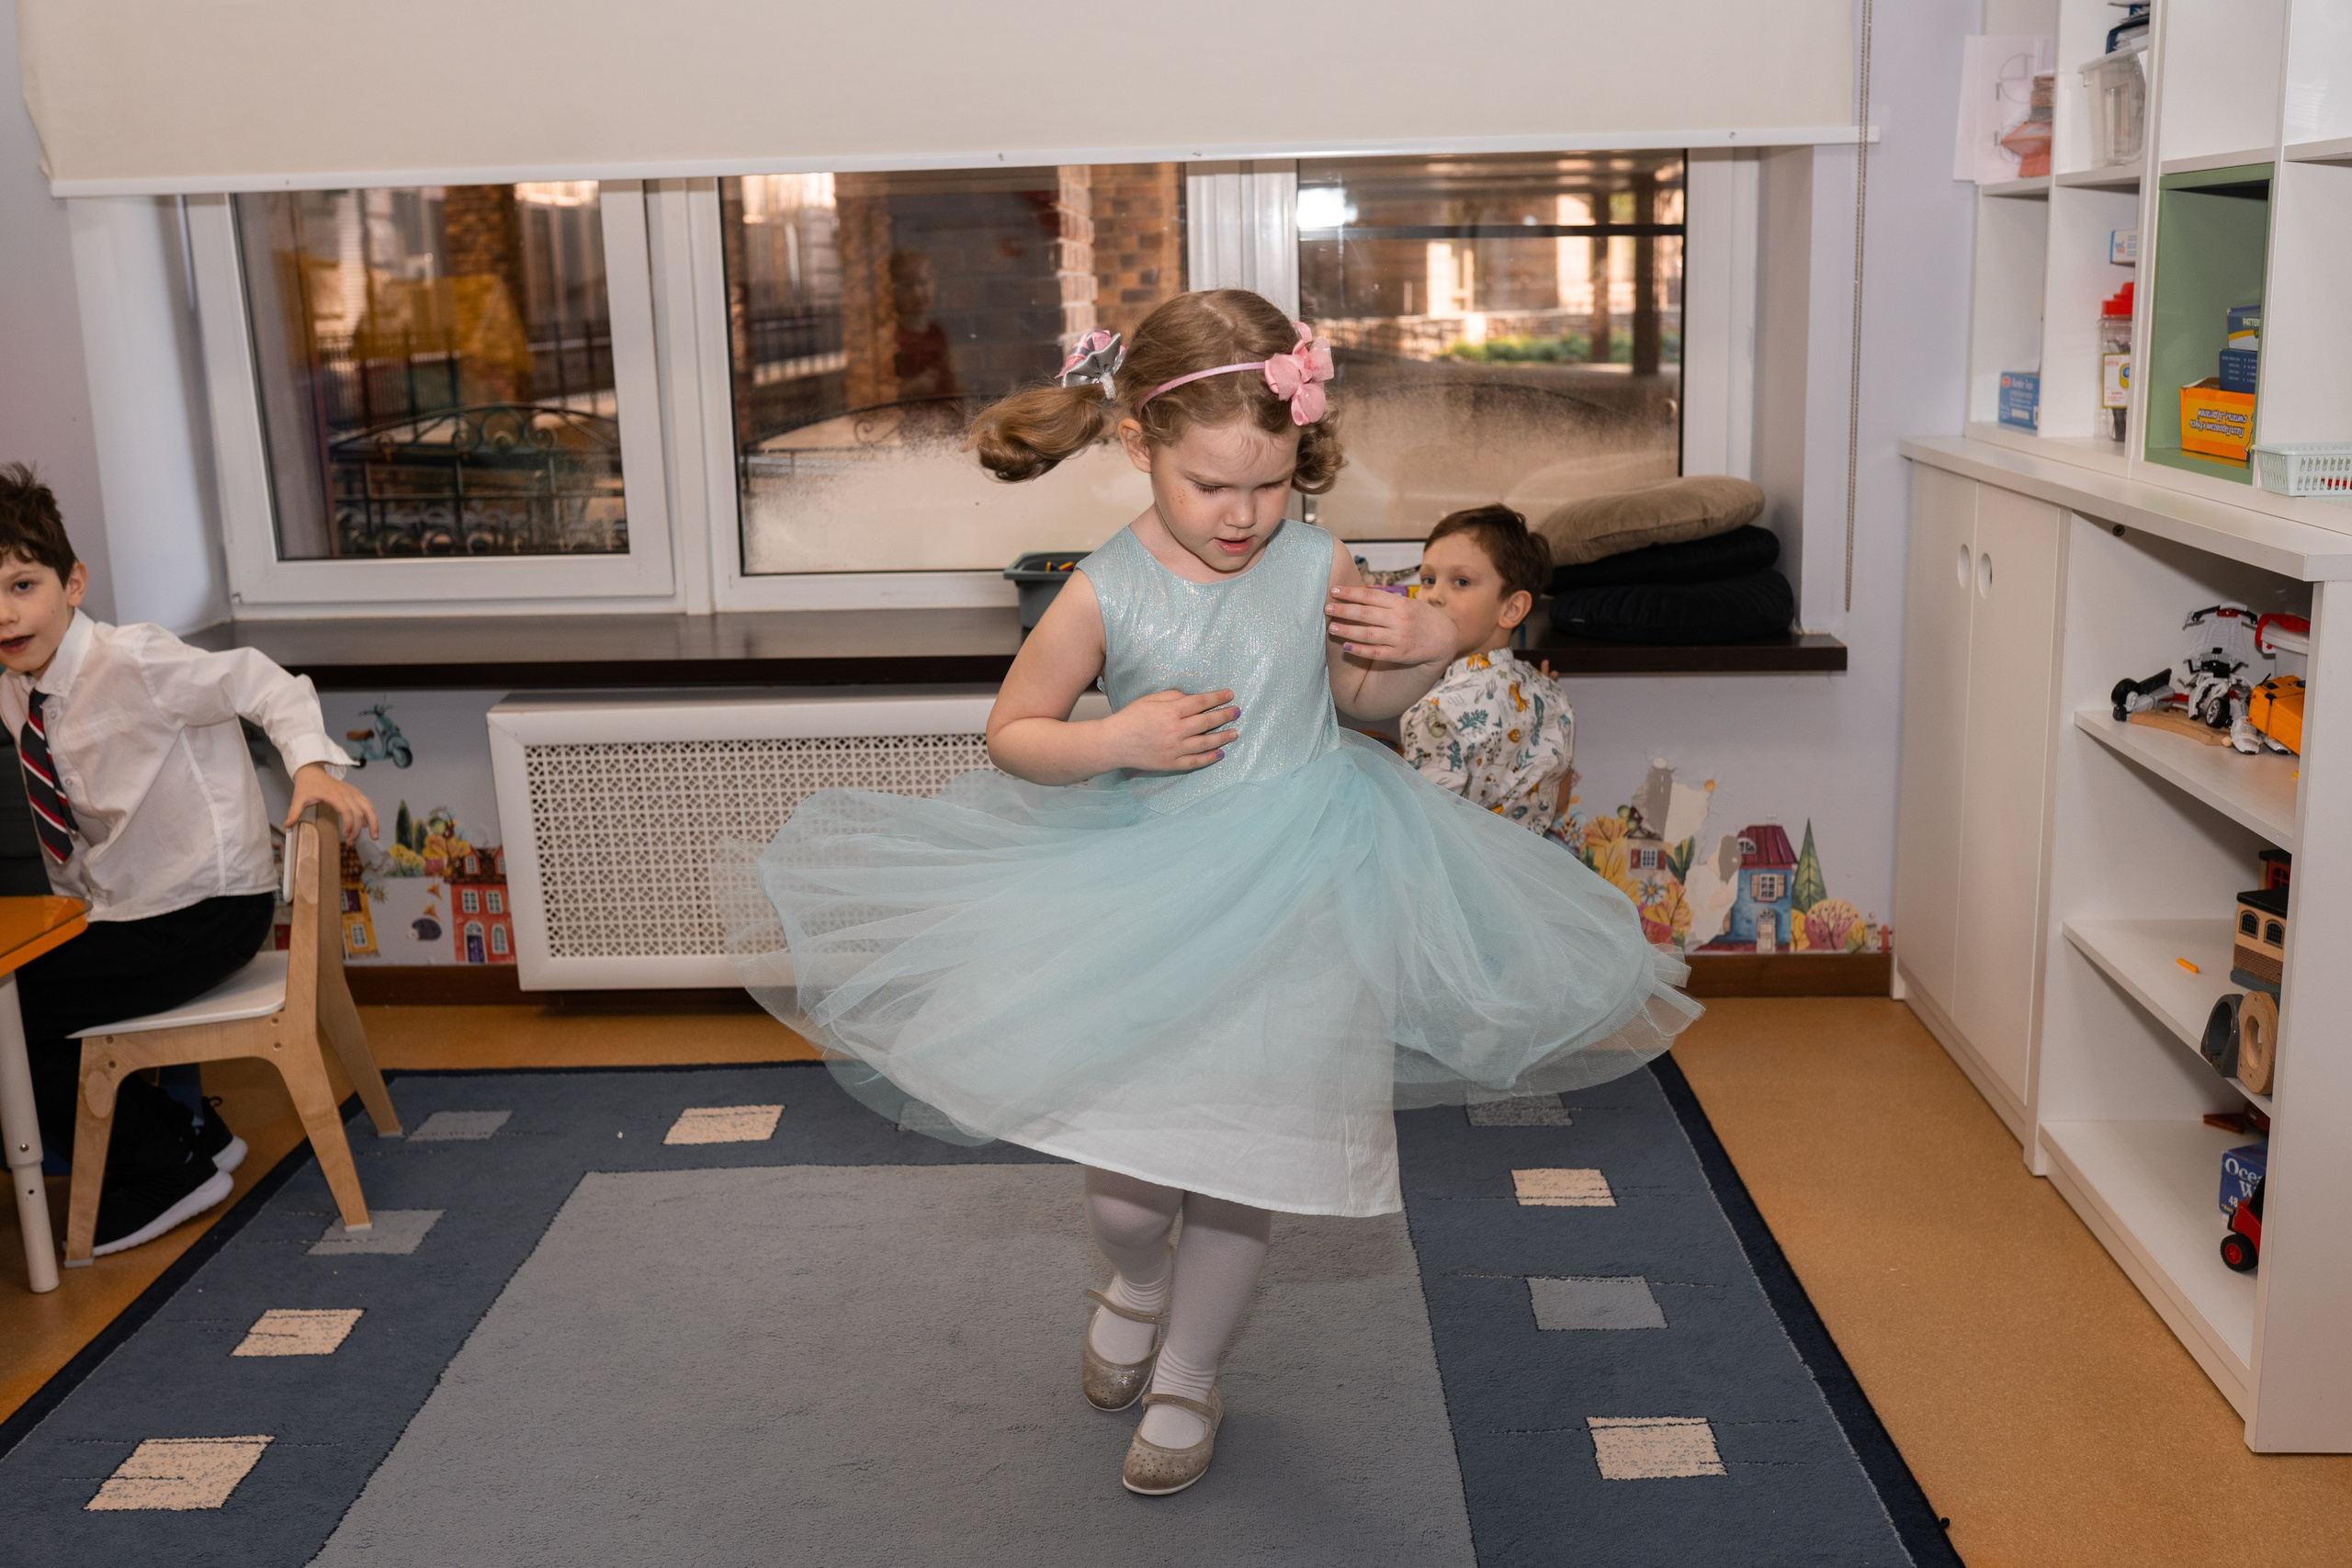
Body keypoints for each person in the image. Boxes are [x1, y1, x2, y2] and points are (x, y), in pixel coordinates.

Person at [726, 291, 1696, 1496]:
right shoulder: (1104, 587)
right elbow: (1014, 731)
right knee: (1134, 1183)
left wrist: (1426, 650)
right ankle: (1133, 1276)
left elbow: (1361, 709)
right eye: (1210, 486)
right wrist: (1114, 736)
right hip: (1149, 890)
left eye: (1269, 484)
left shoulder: (1318, 561)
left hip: (1304, 888)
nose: (1242, 516)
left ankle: (1190, 1371)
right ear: (1138, 444)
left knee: (1246, 1168)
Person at [0, 465, 379, 1257]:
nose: (4, 613)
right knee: (23, 993)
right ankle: (189, 1132)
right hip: (127, 913)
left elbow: (263, 681)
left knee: (15, 1008)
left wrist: (309, 765)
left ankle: (163, 1169)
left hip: (206, 909)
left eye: (21, 585)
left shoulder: (132, 660)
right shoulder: (15, 691)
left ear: (74, 584)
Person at [1400, 504, 1578, 836]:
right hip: (1529, 873)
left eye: (1461, 581)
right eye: (1428, 579)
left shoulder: (1435, 713)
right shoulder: (1552, 695)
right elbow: (1559, 799)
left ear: (1511, 608)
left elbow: (1425, 833)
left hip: (1459, 882)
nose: (1434, 596)